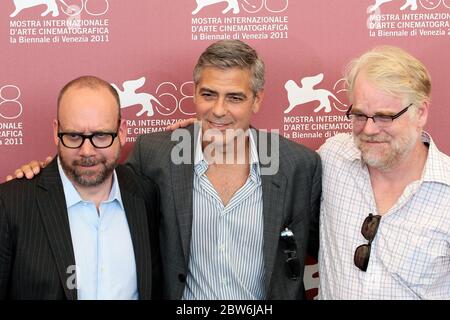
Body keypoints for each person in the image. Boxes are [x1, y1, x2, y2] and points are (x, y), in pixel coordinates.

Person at [10, 40, 322, 300]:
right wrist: (45, 172)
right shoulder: (156, 154)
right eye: (208, 94)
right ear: (195, 92)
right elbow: (95, 177)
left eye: (235, 98)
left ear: (257, 100)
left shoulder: (297, 166)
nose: (218, 110)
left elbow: (328, 248)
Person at [0, 76, 161, 300]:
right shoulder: (10, 204)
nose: (87, 151)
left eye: (101, 135)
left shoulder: (147, 195)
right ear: (56, 131)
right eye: (74, 136)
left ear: (122, 132)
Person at [318, 46, 450, 299]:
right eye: (359, 114)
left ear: (420, 112)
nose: (368, 129)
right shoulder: (334, 157)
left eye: (384, 117)